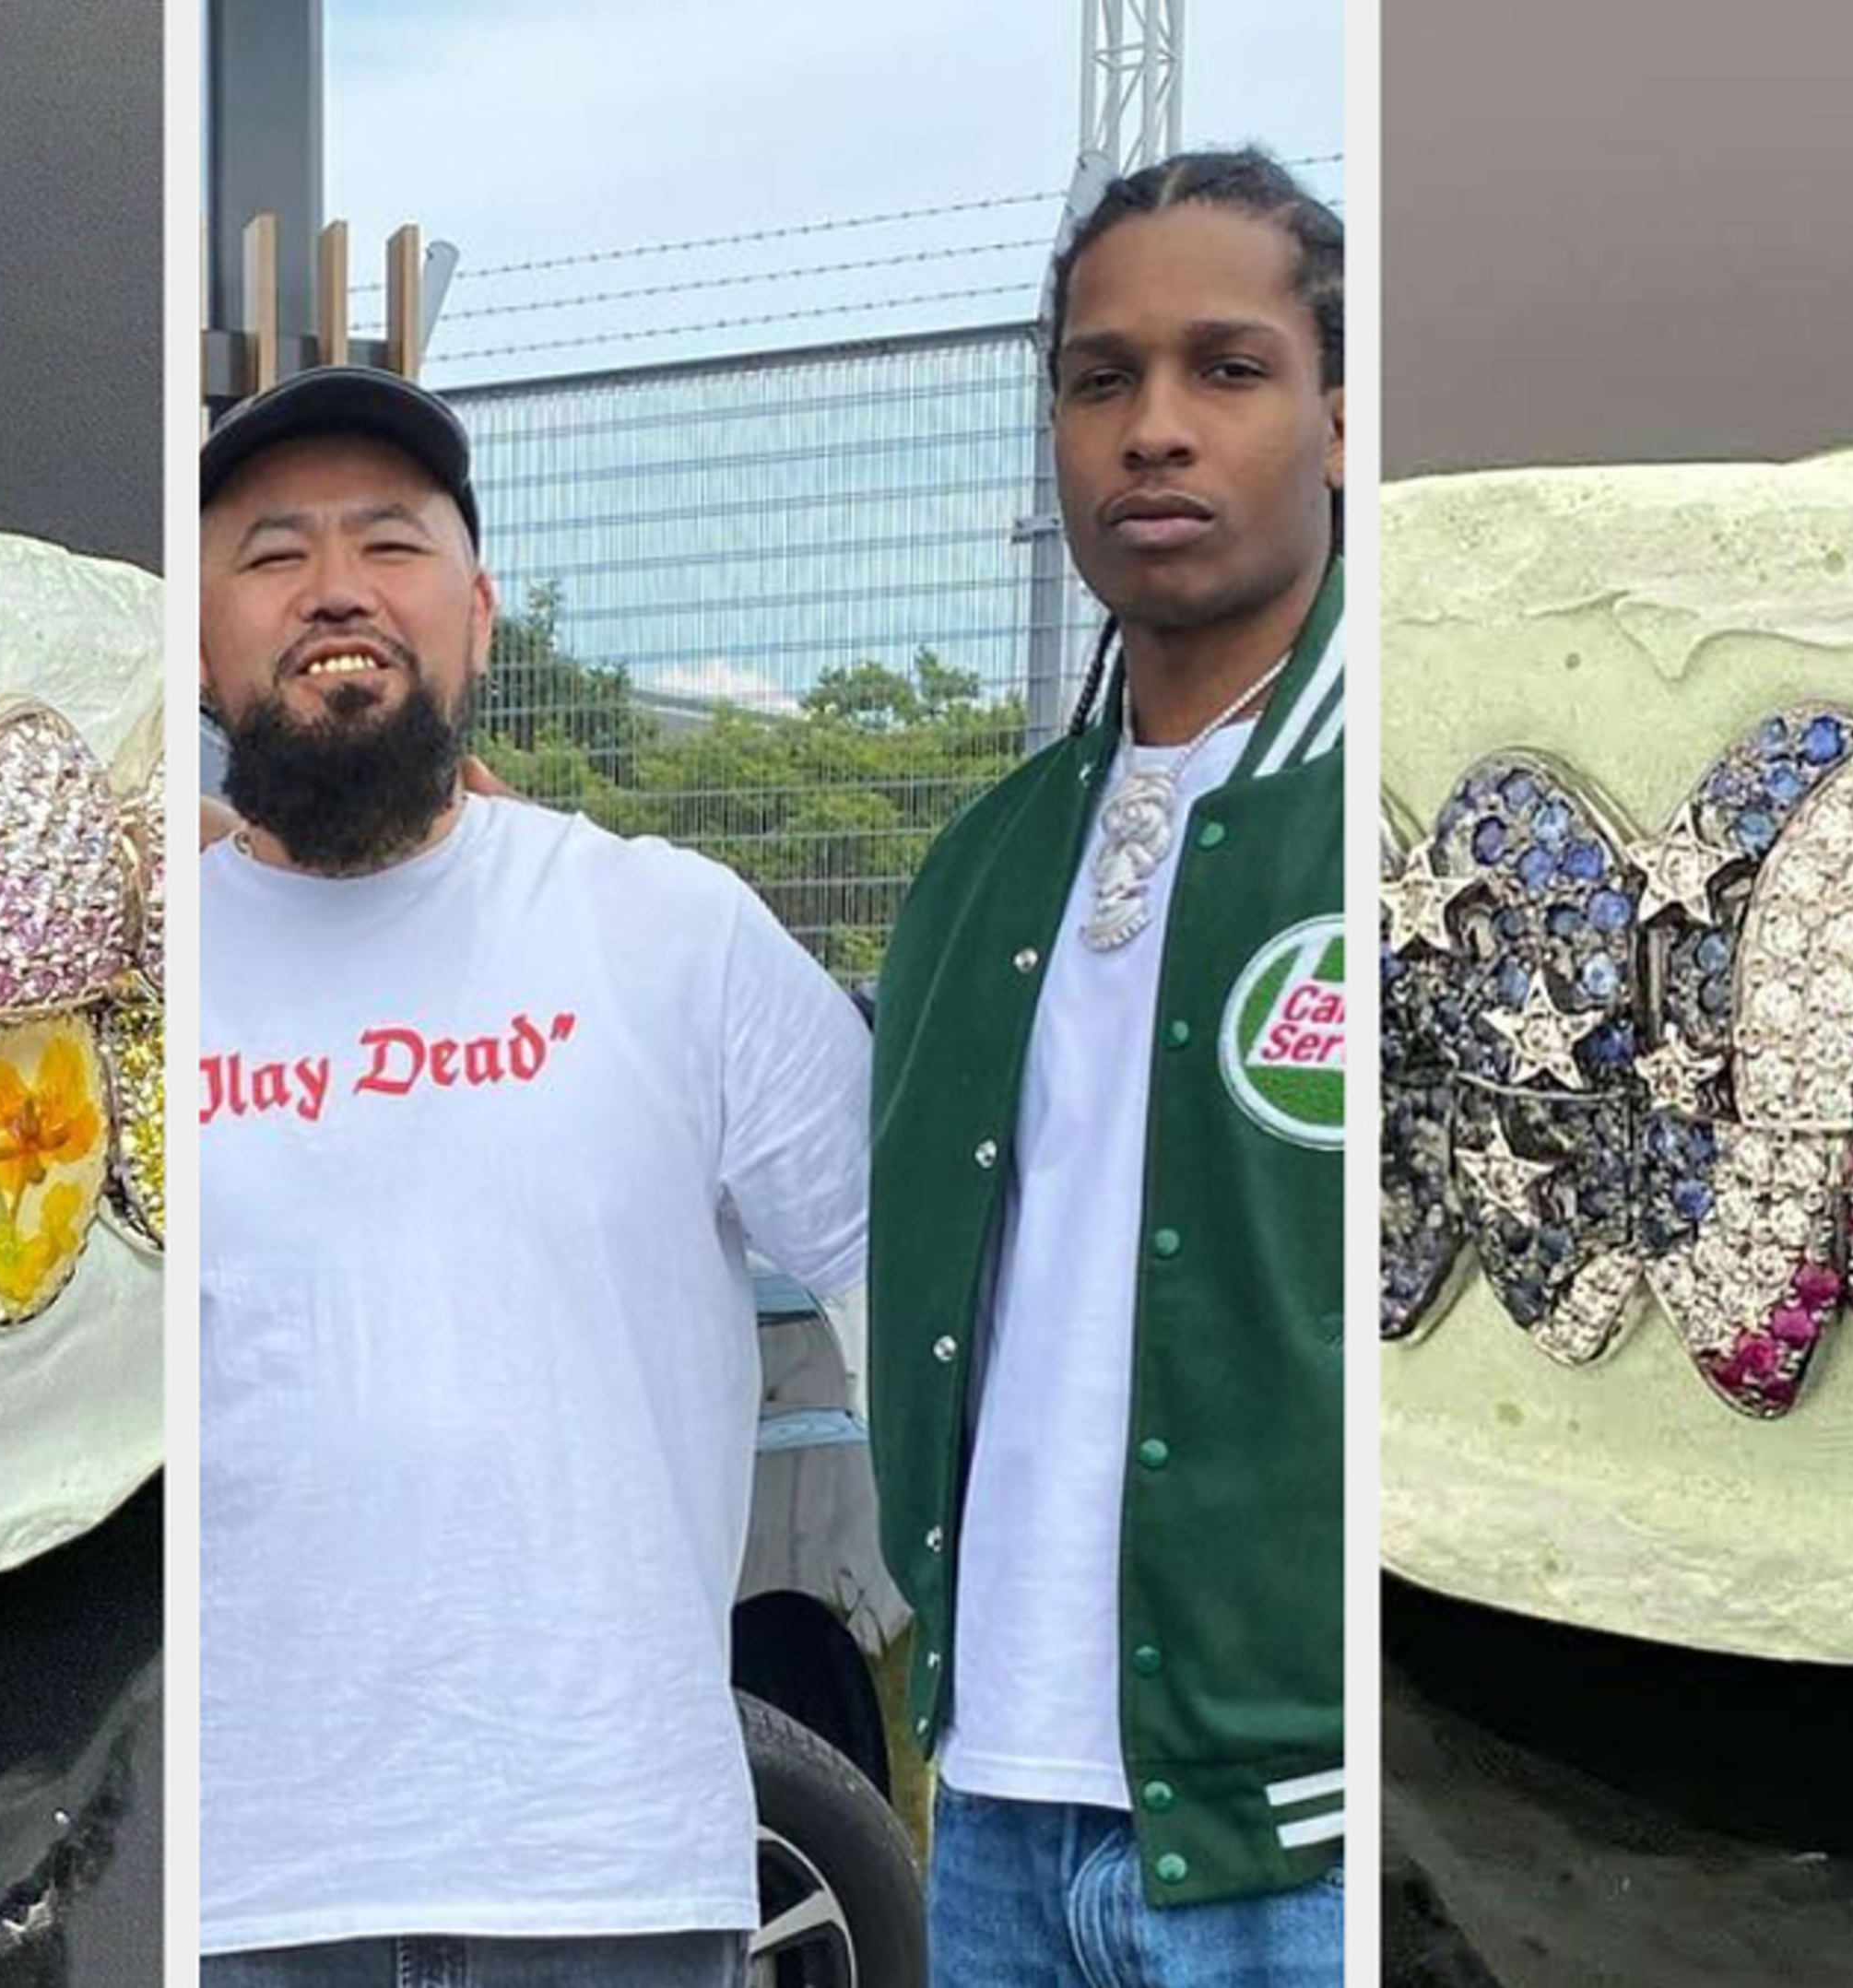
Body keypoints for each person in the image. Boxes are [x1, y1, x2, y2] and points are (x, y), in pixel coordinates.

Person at [195, 366, 874, 1988]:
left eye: (394, 543)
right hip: (230, 1896)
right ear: (200, 637)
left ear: (479, 612)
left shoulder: (668, 932)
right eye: (274, 552)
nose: (338, 587)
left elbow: (915, 1274)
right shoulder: (115, 990)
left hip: (607, 1880)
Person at [866, 148, 1349, 1986]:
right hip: (995, 1811)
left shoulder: (1391, 820)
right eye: (1099, 378)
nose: (1153, 428)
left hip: (1292, 1838)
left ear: (1332, 418)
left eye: (1225, 369)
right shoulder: (985, 861)